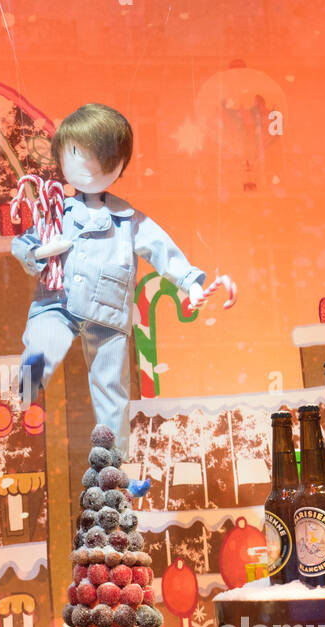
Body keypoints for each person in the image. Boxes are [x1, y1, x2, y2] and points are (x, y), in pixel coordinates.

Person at [12, 102, 220, 455]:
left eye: (100, 156)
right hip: (58, 300)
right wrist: (40, 252)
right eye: (77, 153)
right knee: (42, 343)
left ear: (117, 163)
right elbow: (24, 244)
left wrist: (191, 282)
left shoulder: (129, 220)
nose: (88, 164)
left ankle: (113, 462)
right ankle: (24, 393)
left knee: (111, 389)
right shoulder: (57, 211)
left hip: (108, 311)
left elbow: (161, 249)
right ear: (62, 156)